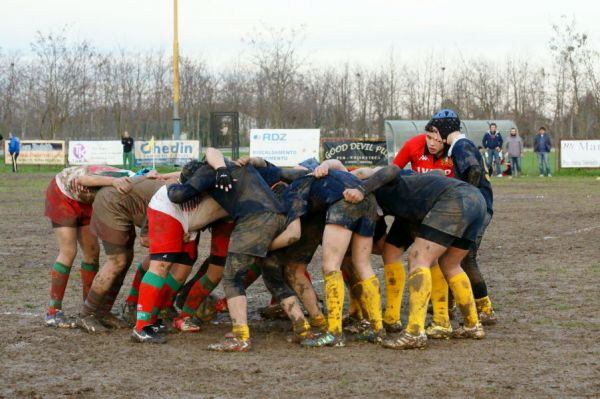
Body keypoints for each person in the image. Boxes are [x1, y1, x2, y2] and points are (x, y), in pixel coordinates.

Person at [357, 165, 486, 350]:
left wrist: (361, 190)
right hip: (476, 200)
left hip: (454, 199)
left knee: (418, 259)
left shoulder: (381, 188)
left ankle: (415, 332)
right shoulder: (409, 192)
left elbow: (392, 168)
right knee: (450, 263)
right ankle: (473, 324)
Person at [43, 165, 133, 327]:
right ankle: (53, 311)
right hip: (63, 193)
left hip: (88, 200)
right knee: (69, 251)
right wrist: (114, 181)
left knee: (92, 252)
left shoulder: (132, 178)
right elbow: (82, 179)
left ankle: (89, 309)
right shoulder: (108, 180)